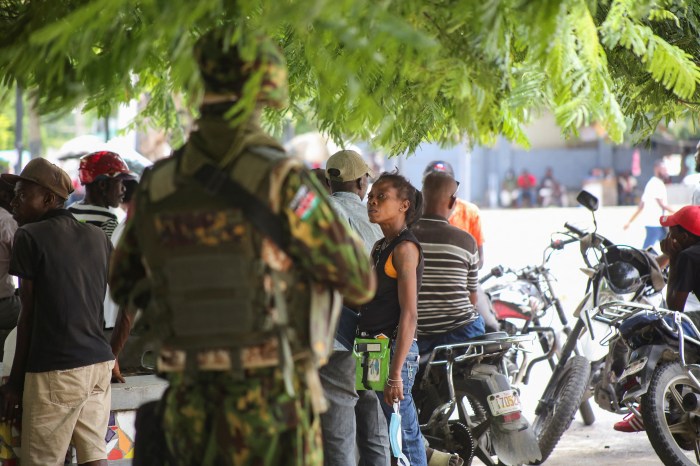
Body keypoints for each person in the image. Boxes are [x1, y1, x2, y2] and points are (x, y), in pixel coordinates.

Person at [109, 29, 375, 466]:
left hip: (188, 407)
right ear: (266, 90)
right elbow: (358, 281)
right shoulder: (284, 180)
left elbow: (124, 282)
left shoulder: (159, 182)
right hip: (270, 410)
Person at [0, 158, 114, 465]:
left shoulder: (30, 236)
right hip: (98, 365)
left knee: (41, 460)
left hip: (56, 369)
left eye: (22, 195)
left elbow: (28, 316)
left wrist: (14, 383)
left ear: (49, 199)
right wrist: (114, 353)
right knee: (94, 457)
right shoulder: (97, 236)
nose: (14, 202)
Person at [321, 149, 389, 466]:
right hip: (374, 339)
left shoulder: (316, 216)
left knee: (340, 436)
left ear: (328, 181)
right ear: (362, 182)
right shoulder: (378, 221)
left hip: (334, 339)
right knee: (374, 428)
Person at [412, 172, 482, 465]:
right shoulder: (465, 241)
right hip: (463, 331)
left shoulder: (406, 237)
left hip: (423, 335)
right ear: (453, 201)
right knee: (488, 327)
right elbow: (473, 296)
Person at [359, 172, 426, 466]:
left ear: (404, 205)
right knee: (386, 435)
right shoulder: (380, 247)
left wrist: (395, 374)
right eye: (371, 195)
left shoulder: (404, 249)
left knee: (406, 437)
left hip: (394, 354)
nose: (372, 201)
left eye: (382, 196)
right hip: (373, 350)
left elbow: (410, 313)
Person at [423, 161, 498, 331]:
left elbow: (480, 260)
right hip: (433, 287)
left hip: (462, 279)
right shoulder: (410, 213)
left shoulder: (470, 212)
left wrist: (453, 270)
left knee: (491, 326)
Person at [68, 151, 133, 239]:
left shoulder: (69, 211)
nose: (124, 188)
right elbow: (108, 251)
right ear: (102, 185)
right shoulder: (109, 220)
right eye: (119, 182)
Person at [624, 160, 675, 249]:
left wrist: (629, 221)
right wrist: (678, 213)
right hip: (654, 224)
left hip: (659, 225)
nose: (665, 172)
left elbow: (641, 206)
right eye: (663, 169)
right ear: (656, 169)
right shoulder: (655, 183)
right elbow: (662, 205)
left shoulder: (652, 183)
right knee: (647, 250)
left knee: (669, 250)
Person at [0, 180, 19, 332]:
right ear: (6, 196)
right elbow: (23, 260)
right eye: (18, 195)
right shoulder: (7, 220)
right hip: (3, 305)